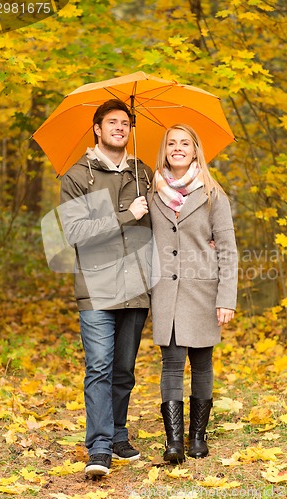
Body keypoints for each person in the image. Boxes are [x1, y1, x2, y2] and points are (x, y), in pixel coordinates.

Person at [59, 99, 153, 477]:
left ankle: (117, 434)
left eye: (125, 122)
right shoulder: (78, 176)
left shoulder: (142, 172)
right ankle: (98, 447)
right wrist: (126, 215)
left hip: (137, 285)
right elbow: (74, 234)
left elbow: (163, 223)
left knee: (124, 369)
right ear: (96, 129)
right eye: (111, 122)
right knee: (99, 367)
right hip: (96, 286)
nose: (120, 127)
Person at [149, 124, 238, 462]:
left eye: (185, 143)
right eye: (172, 143)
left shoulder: (213, 194)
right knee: (171, 363)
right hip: (166, 292)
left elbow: (227, 249)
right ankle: (173, 444)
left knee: (202, 364)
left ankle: (198, 437)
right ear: (164, 150)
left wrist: (226, 298)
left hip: (203, 289)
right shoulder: (152, 192)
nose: (178, 148)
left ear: (195, 150)